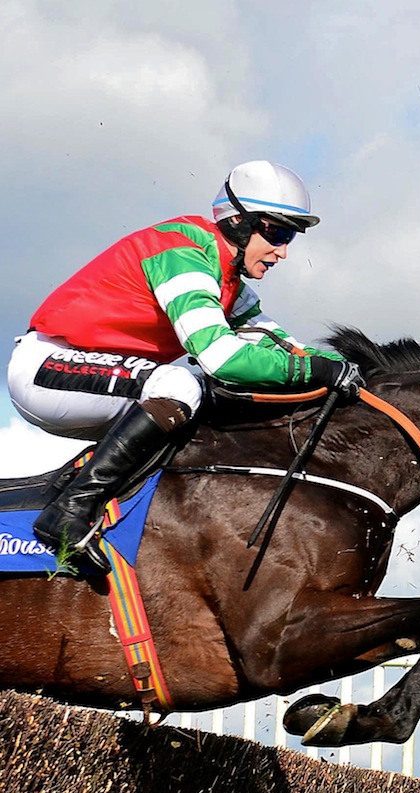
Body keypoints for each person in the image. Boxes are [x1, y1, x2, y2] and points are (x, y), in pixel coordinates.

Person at [6, 160, 363, 569]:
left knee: (212, 405)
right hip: (47, 368)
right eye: (277, 233)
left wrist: (348, 368)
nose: (283, 252)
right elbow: (223, 358)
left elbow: (285, 347)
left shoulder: (229, 282)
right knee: (182, 385)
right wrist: (313, 372)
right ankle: (69, 511)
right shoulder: (182, 253)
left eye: (290, 237)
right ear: (239, 223)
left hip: (98, 379)